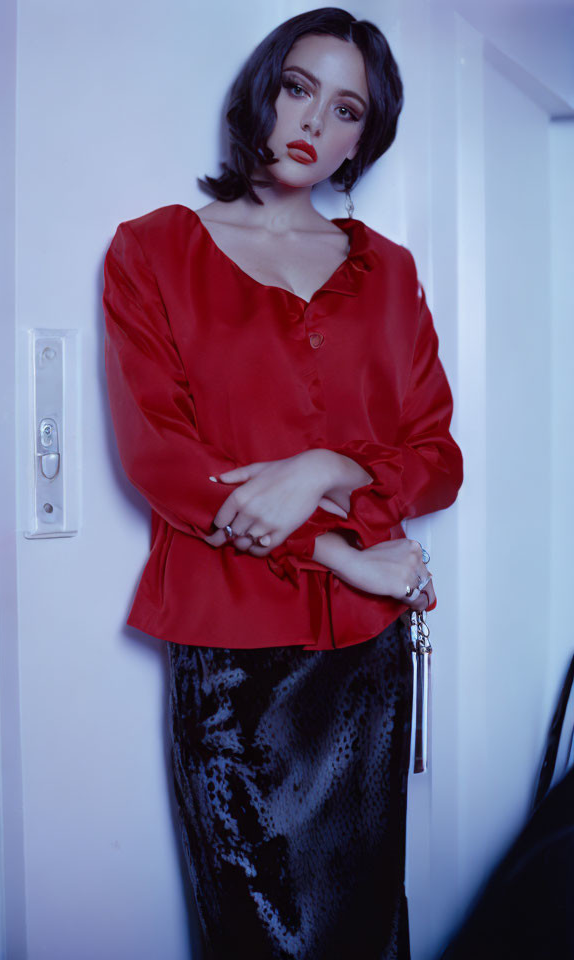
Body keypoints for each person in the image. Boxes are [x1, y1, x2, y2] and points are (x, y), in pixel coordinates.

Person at [102, 7, 463, 959]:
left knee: (363, 924)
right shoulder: (152, 251)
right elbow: (162, 462)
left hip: (363, 665)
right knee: (259, 932)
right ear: (261, 90)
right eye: (299, 87)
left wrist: (329, 467)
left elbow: (439, 456)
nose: (313, 121)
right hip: (230, 656)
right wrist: (346, 551)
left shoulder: (391, 275)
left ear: (364, 139)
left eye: (347, 108)